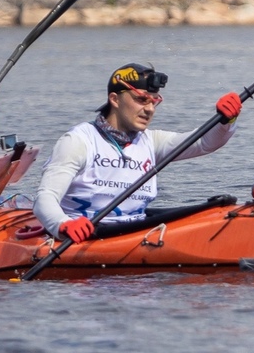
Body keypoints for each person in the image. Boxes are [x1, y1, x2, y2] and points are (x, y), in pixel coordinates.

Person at [34, 63, 242, 244]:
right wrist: (63, 225)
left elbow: (205, 142)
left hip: (134, 231)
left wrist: (225, 121)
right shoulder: (78, 141)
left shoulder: (151, 141)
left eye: (154, 101)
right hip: (85, 233)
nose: (150, 109)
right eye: (141, 99)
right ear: (115, 99)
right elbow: (45, 198)